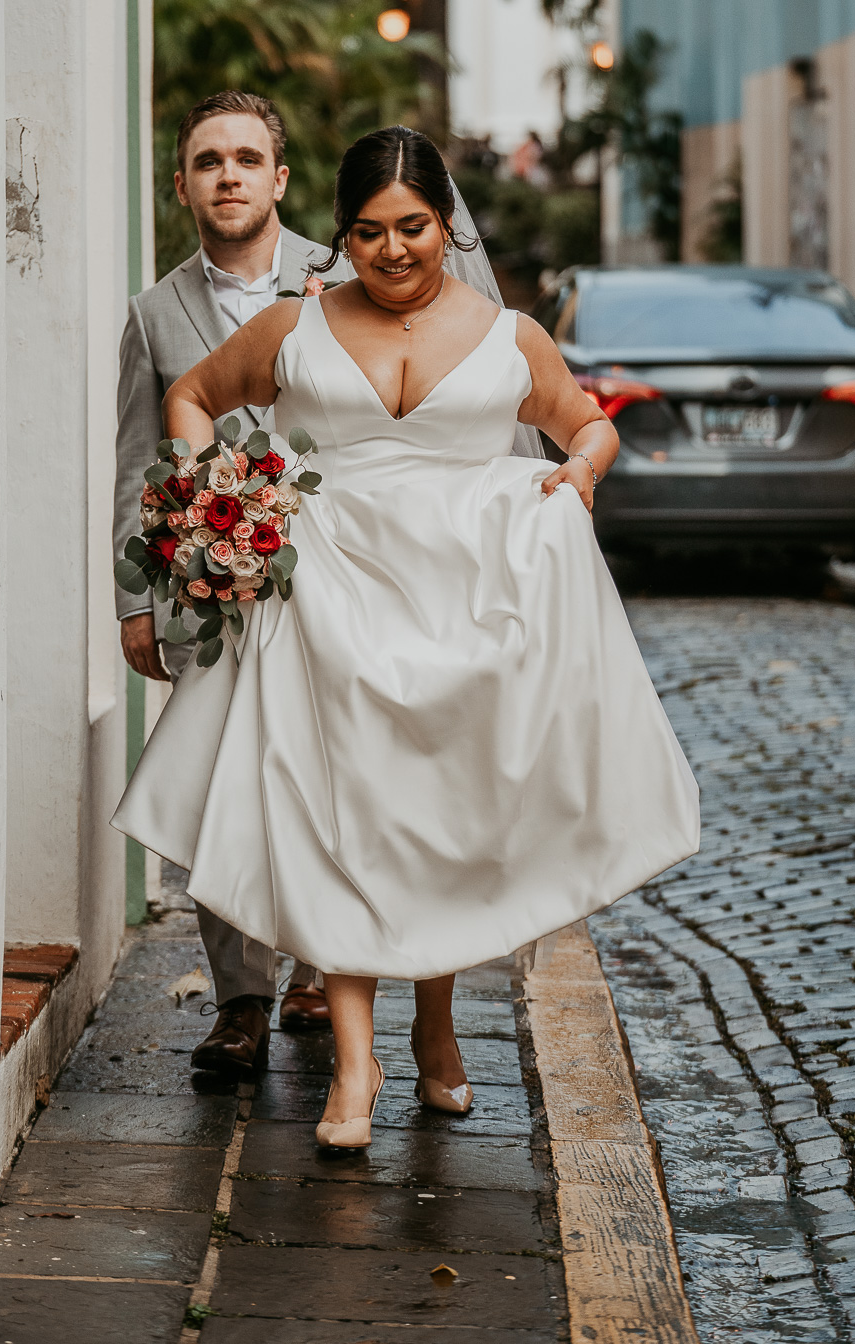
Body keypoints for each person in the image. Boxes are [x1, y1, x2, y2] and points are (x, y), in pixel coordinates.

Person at [114, 125, 700, 1151]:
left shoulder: (510, 333)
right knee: (349, 819)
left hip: (470, 606)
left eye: (414, 228)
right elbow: (191, 396)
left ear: (446, 225)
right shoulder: (295, 326)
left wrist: (583, 472)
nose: (394, 251)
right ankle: (354, 1060)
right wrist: (217, 495)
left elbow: (587, 420)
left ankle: (436, 1024)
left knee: (446, 817)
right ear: (341, 235)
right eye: (371, 232)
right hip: (328, 602)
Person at [114, 89, 351, 1073]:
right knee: (218, 786)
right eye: (209, 161)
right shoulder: (153, 312)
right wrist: (136, 597)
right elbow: (136, 459)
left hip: (330, 574)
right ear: (183, 184)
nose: (228, 176)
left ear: (279, 179)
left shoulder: (337, 280)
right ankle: (242, 1000)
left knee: (324, 773)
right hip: (209, 588)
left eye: (246, 159)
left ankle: (314, 967)